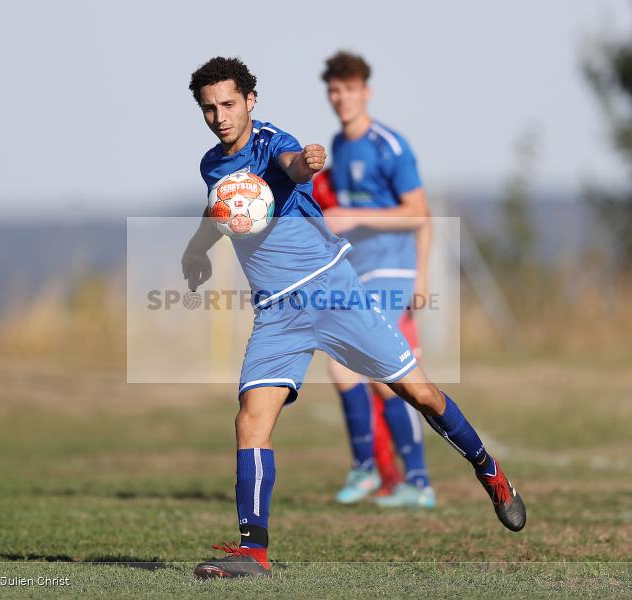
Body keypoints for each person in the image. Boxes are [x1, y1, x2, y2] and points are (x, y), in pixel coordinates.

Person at [182, 56, 526, 580]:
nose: (220, 116)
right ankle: (253, 551)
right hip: (278, 312)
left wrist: (308, 162)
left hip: (333, 292)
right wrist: (197, 250)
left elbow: (294, 164)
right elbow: (220, 211)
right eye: (209, 108)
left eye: (229, 104)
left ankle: (491, 472)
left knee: (420, 394)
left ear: (250, 101)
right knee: (250, 419)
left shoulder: (273, 141)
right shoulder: (212, 165)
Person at [317, 51, 436, 508]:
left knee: (346, 363)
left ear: (366, 91)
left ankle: (369, 469)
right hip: (357, 272)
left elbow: (418, 213)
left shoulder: (391, 145)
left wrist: (421, 276)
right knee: (387, 376)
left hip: (392, 269)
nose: (340, 98)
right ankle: (416, 482)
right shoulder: (339, 145)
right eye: (333, 90)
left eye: (348, 89)